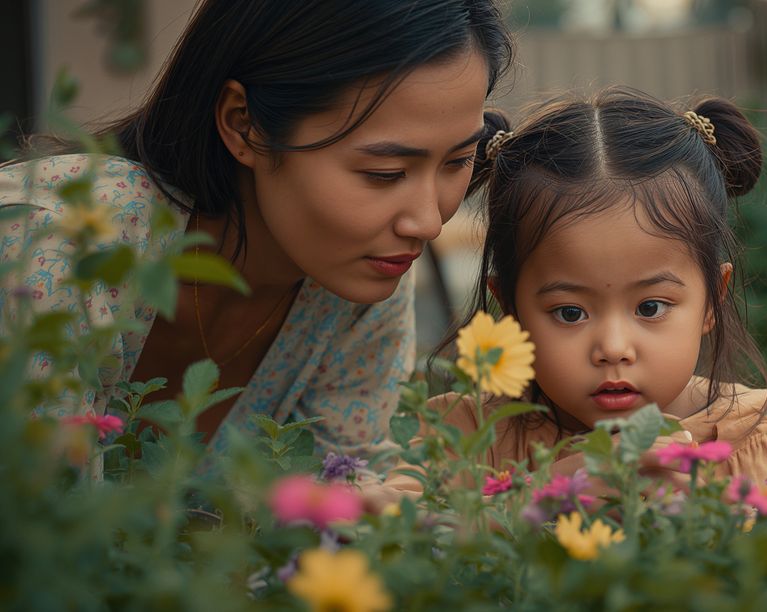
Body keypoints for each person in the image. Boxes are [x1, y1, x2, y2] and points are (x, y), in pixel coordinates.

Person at [0, 0, 513, 456]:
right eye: (384, 173)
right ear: (244, 123)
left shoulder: (356, 290)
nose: (427, 222)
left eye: (458, 160)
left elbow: (343, 501)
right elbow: (49, 532)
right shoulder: (58, 245)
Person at [376, 87, 767, 503]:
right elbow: (393, 536)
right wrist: (541, 494)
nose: (613, 349)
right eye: (569, 312)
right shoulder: (467, 435)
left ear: (713, 298)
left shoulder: (752, 435)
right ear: (510, 308)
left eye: (650, 307)